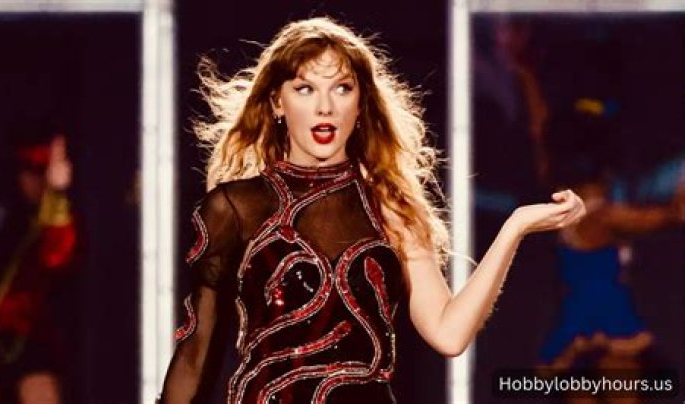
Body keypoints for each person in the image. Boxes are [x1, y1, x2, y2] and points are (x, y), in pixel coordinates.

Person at [160, 17, 585, 403]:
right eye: (305, 89)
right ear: (276, 102)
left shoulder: (391, 207)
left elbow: (449, 333)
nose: (325, 107)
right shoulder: (235, 208)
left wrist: (514, 228)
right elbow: (196, 353)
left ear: (361, 103)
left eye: (342, 88)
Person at [538, 167, 685, 404]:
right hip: (591, 327)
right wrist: (672, 212)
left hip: (608, 322)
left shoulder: (590, 217)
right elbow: (638, 219)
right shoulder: (592, 217)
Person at [0, 131, 77, 404]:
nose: (36, 180)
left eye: (43, 171)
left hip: (31, 343)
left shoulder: (55, 213)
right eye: (31, 171)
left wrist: (57, 195)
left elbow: (58, 258)